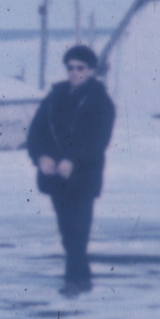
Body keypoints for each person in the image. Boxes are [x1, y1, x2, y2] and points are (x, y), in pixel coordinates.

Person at [25, 44, 116, 294]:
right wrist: (42, 157)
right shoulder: (55, 97)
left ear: (91, 71)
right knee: (67, 233)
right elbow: (37, 132)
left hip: (83, 177)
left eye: (81, 68)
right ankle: (82, 278)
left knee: (78, 231)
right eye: (71, 68)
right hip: (56, 177)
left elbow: (98, 140)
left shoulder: (100, 100)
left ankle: (73, 282)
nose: (75, 72)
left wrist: (73, 160)